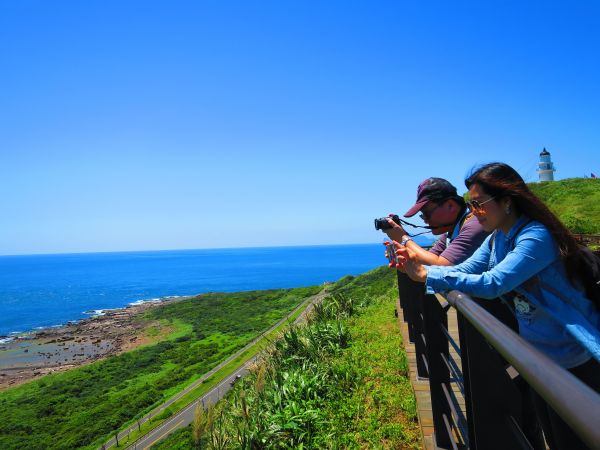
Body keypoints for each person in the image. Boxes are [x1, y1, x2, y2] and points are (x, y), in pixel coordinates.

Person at [396, 162, 600, 450]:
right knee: (554, 437)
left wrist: (426, 274)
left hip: (575, 358)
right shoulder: (497, 238)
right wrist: (419, 268)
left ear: (506, 201)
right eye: (471, 205)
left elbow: (494, 283)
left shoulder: (536, 236)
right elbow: (467, 269)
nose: (474, 212)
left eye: (479, 204)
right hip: (540, 358)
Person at [382, 177, 489, 266]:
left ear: (450, 206)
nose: (425, 221)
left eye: (427, 213)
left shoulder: (475, 224)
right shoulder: (451, 232)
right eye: (423, 215)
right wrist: (403, 258)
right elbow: (427, 262)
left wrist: (403, 238)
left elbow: (441, 265)